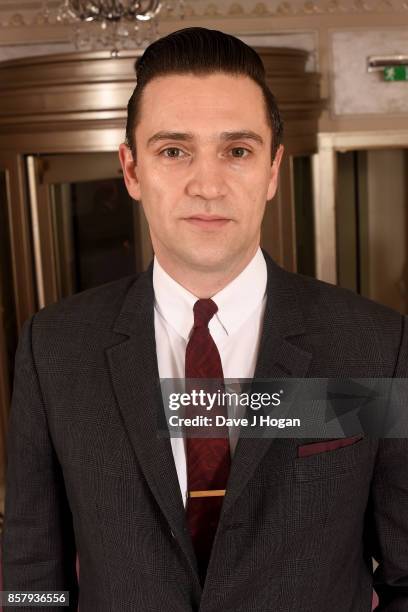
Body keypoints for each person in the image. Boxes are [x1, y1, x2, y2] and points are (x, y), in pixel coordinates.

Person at [2, 26, 408, 612]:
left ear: (272, 171)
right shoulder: (55, 347)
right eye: (174, 151)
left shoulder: (376, 345)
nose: (207, 184)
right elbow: (30, 577)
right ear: (132, 170)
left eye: (236, 151)